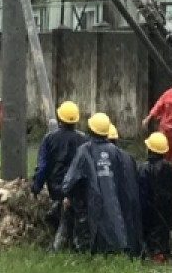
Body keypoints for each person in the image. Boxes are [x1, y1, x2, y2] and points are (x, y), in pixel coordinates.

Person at [61, 112, 142, 257]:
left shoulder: (85, 150)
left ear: (91, 129)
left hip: (91, 203)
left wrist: (67, 195)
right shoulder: (117, 153)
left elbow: (70, 181)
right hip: (115, 203)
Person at [30, 100, 85, 251]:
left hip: (56, 188)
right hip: (77, 190)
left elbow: (42, 167)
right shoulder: (83, 140)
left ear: (60, 118)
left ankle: (56, 247)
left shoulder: (49, 139)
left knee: (64, 217)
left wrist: (36, 187)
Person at [137, 131, 172, 262]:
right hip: (166, 214)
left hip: (149, 214)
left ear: (149, 150)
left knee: (150, 240)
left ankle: (154, 255)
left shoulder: (144, 169)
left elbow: (142, 195)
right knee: (163, 238)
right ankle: (164, 254)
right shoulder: (171, 169)